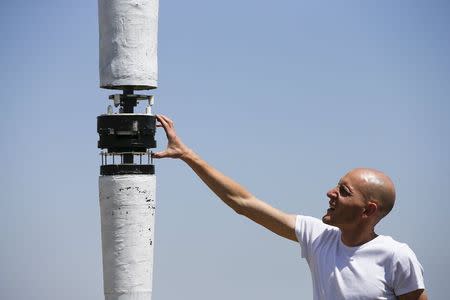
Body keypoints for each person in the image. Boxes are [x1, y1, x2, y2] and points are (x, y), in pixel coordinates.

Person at [153, 115, 427, 300]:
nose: (330, 193)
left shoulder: (396, 257)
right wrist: (188, 156)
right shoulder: (318, 236)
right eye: (337, 185)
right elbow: (244, 203)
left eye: (343, 192)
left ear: (368, 210)